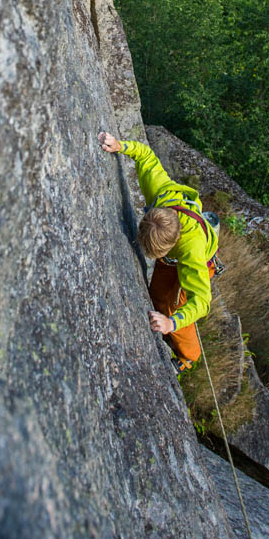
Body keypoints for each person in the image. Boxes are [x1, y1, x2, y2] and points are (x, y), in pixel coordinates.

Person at [98, 131, 218, 372]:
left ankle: (187, 358)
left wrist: (171, 323)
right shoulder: (162, 195)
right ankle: (164, 327)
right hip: (171, 259)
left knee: (175, 309)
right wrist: (119, 145)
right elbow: (145, 155)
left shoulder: (192, 249)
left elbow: (202, 301)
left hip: (196, 265)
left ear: (172, 244)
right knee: (156, 297)